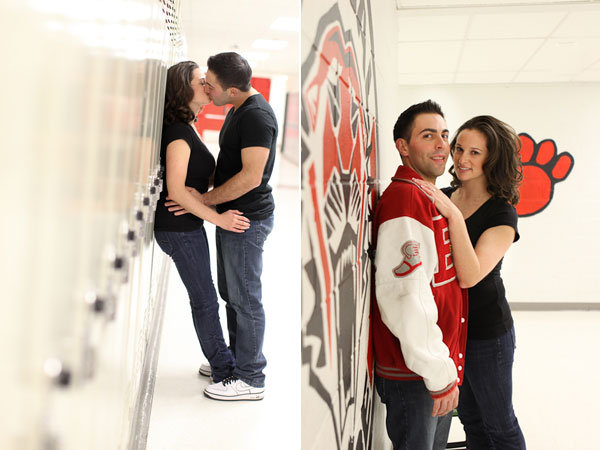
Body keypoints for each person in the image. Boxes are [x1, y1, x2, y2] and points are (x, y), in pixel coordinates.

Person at [167, 52, 277, 401]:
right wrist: (208, 197)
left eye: (211, 85)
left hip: (245, 219)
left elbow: (250, 177)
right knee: (233, 295)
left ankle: (251, 378)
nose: (206, 89)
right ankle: (237, 360)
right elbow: (229, 166)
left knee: (246, 299)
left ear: (231, 89)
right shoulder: (237, 110)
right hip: (231, 217)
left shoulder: (257, 116)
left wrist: (204, 202)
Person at [415, 115, 526, 449]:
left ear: (492, 159)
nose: (461, 159)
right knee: (471, 421)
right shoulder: (445, 195)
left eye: (474, 153)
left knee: (499, 423)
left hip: (487, 334)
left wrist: (451, 214)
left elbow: (470, 275)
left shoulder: (501, 214)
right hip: (450, 331)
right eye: (459, 148)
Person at [372, 100, 468, 449]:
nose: (442, 144)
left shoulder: (427, 197)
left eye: (444, 134)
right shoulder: (406, 200)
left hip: (430, 367)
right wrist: (438, 372)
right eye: (428, 135)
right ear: (403, 146)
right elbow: (404, 295)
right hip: (416, 375)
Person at [153, 61, 250, 386]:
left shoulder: (188, 125)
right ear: (183, 89)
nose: (207, 85)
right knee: (205, 300)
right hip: (178, 230)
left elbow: (194, 178)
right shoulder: (179, 133)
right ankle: (224, 369)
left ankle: (223, 360)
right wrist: (219, 218)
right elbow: (177, 190)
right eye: (200, 81)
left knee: (206, 297)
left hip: (187, 227)